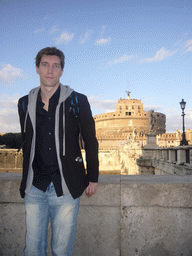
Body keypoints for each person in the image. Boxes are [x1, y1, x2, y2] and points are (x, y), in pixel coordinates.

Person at [18, 47, 99, 256]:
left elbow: (90, 141)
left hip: (66, 185)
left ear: (62, 71)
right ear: (37, 68)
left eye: (56, 66)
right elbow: (27, 143)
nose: (50, 71)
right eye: (45, 65)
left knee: (62, 250)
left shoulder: (77, 101)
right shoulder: (24, 103)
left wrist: (93, 177)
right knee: (33, 249)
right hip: (35, 185)